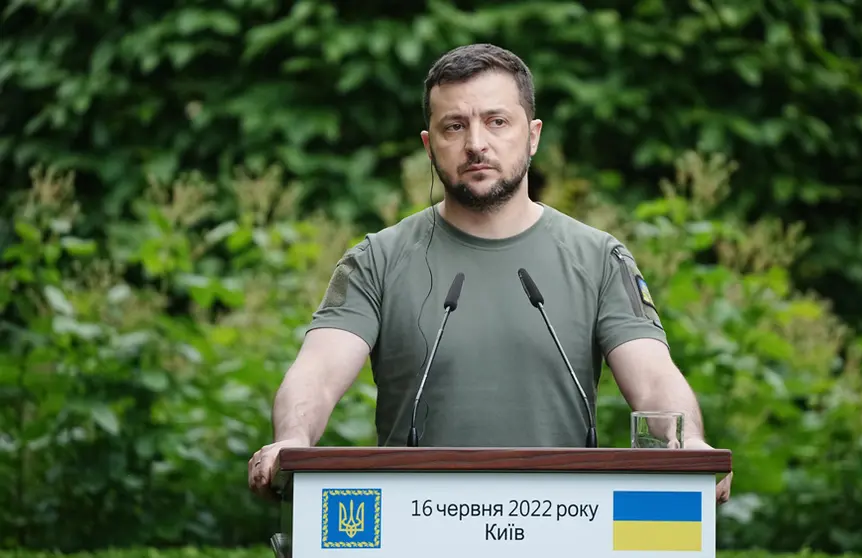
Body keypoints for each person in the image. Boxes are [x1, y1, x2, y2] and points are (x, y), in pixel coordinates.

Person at [248, 43, 733, 503]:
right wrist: (291, 439)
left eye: (496, 121)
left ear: (534, 135)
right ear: (429, 144)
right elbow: (317, 372)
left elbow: (652, 379)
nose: (476, 143)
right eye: (453, 126)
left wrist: (687, 443)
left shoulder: (598, 258)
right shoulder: (377, 259)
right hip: (412, 525)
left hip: (565, 523)